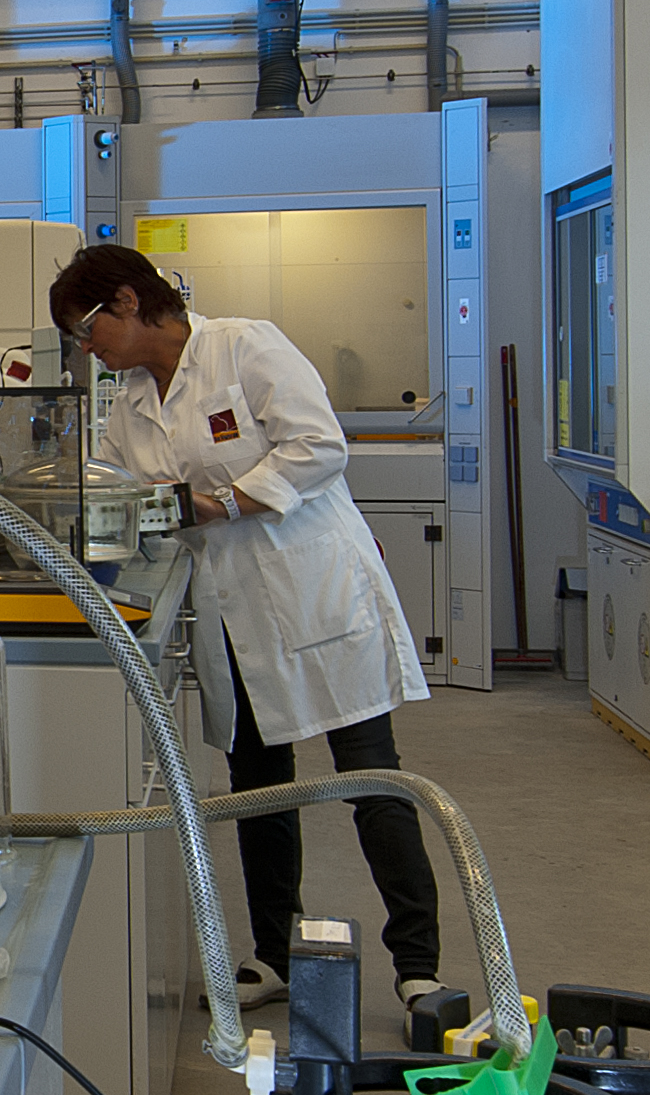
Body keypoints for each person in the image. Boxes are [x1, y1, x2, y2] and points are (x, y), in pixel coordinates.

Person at [49, 239, 442, 1022]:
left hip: (311, 591)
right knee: (259, 786)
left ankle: (419, 968)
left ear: (127, 301)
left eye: (86, 327)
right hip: (230, 609)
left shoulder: (243, 345)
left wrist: (218, 501)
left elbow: (319, 447)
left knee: (370, 777)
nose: (84, 347)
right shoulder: (126, 399)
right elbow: (119, 491)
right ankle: (275, 952)